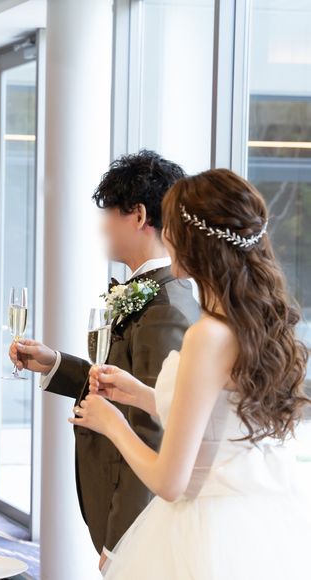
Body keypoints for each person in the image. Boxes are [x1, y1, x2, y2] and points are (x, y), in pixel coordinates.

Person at [74, 168, 311, 578]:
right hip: (253, 522)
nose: (165, 236)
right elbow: (221, 417)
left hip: (203, 531)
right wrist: (141, 395)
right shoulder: (250, 324)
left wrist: (112, 423)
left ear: (194, 242)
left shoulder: (207, 335)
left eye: (171, 227)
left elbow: (169, 481)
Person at [10, 150, 200, 568]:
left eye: (109, 213)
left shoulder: (165, 306)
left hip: (136, 523)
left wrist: (122, 538)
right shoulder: (150, 290)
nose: (102, 226)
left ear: (137, 215)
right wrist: (54, 363)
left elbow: (155, 426)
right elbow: (122, 383)